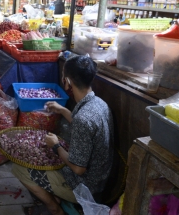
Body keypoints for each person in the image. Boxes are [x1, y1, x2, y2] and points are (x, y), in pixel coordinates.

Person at [11, 56, 114, 215]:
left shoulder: (83, 118)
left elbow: (78, 169)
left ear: (67, 81)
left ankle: (55, 208)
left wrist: (56, 146)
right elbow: (85, 127)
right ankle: (56, 197)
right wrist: (62, 110)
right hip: (101, 179)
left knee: (19, 169)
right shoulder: (99, 103)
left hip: (85, 188)